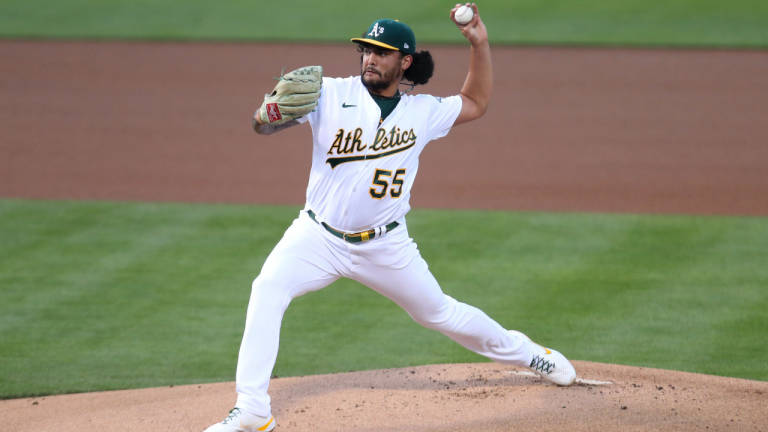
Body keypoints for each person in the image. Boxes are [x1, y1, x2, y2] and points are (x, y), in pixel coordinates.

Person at [204, 4, 576, 431]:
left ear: (405, 62)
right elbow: (264, 127)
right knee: (267, 288)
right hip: (316, 236)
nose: (370, 58)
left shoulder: (422, 113)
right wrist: (264, 116)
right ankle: (252, 409)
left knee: (439, 313)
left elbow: (475, 101)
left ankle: (529, 353)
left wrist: (480, 43)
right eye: (366, 50)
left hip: (384, 244)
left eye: (381, 52)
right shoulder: (328, 92)